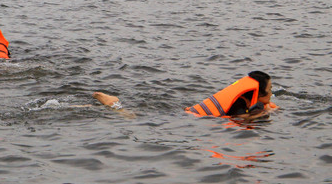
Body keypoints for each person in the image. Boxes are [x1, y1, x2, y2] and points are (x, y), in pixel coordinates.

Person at [93, 70, 279, 119]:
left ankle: (101, 105)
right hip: (184, 119)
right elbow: (238, 120)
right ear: (259, 92)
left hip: (185, 113)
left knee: (139, 114)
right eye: (269, 90)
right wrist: (263, 113)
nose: (271, 93)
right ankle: (114, 103)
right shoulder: (240, 106)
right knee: (133, 117)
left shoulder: (243, 101)